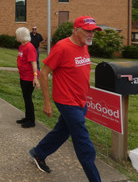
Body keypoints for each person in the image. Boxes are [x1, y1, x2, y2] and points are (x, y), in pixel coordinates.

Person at [29, 16, 102, 182]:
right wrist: (47, 103)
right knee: (85, 146)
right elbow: (44, 73)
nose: (91, 34)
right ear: (76, 30)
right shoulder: (62, 47)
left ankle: (38, 153)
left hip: (81, 101)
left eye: (93, 31)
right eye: (87, 31)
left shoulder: (84, 46)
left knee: (62, 131)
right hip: (67, 102)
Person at [15, 27, 40, 128]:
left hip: (29, 77)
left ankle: (31, 121)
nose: (16, 36)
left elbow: (34, 63)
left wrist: (35, 78)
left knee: (28, 98)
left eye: (17, 34)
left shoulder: (29, 47)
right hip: (23, 76)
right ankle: (27, 117)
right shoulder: (22, 46)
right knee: (25, 98)